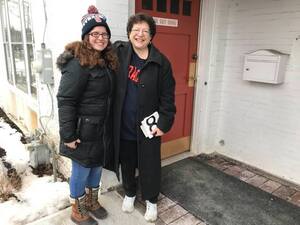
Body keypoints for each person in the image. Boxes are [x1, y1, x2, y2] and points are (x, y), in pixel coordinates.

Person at [56, 5, 118, 225]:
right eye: (95, 34)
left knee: (96, 167)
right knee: (81, 172)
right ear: (86, 37)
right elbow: (66, 101)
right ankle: (78, 209)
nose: (100, 38)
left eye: (104, 34)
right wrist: (69, 135)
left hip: (101, 130)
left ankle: (92, 201)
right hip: (82, 131)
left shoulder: (107, 61)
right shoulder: (77, 63)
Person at [112, 13, 176, 222]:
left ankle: (151, 200)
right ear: (129, 33)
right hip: (124, 126)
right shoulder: (119, 52)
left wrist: (164, 123)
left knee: (150, 166)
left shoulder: (161, 62)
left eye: (145, 31)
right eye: (135, 30)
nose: (140, 35)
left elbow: (167, 97)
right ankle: (129, 193)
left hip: (149, 128)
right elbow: (93, 49)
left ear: (151, 36)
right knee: (127, 164)